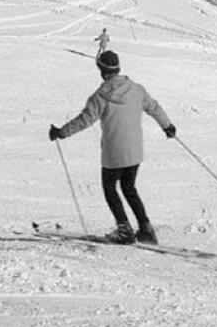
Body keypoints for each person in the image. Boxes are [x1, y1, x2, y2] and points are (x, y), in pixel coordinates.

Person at [49, 49, 177, 244]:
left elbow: (85, 120)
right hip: (134, 151)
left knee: (110, 188)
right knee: (129, 187)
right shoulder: (136, 89)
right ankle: (145, 229)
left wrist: (61, 132)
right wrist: (167, 126)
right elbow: (154, 107)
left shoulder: (100, 96)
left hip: (114, 152)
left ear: (101, 70)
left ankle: (124, 230)